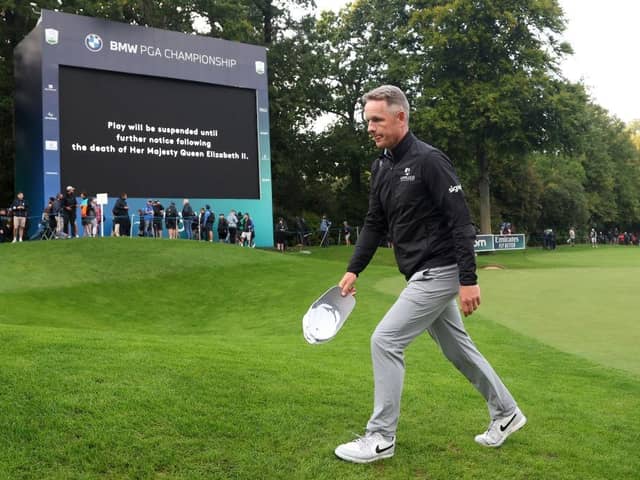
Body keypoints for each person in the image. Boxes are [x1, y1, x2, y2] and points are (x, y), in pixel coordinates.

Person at [333, 86, 525, 464]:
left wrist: (468, 279)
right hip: (419, 271)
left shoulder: (430, 161)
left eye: (376, 119)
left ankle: (381, 437)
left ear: (400, 117)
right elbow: (374, 223)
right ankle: (507, 413)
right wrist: (354, 269)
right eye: (367, 120)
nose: (370, 127)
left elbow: (460, 222)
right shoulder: (382, 165)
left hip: (440, 269)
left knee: (385, 341)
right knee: (458, 349)